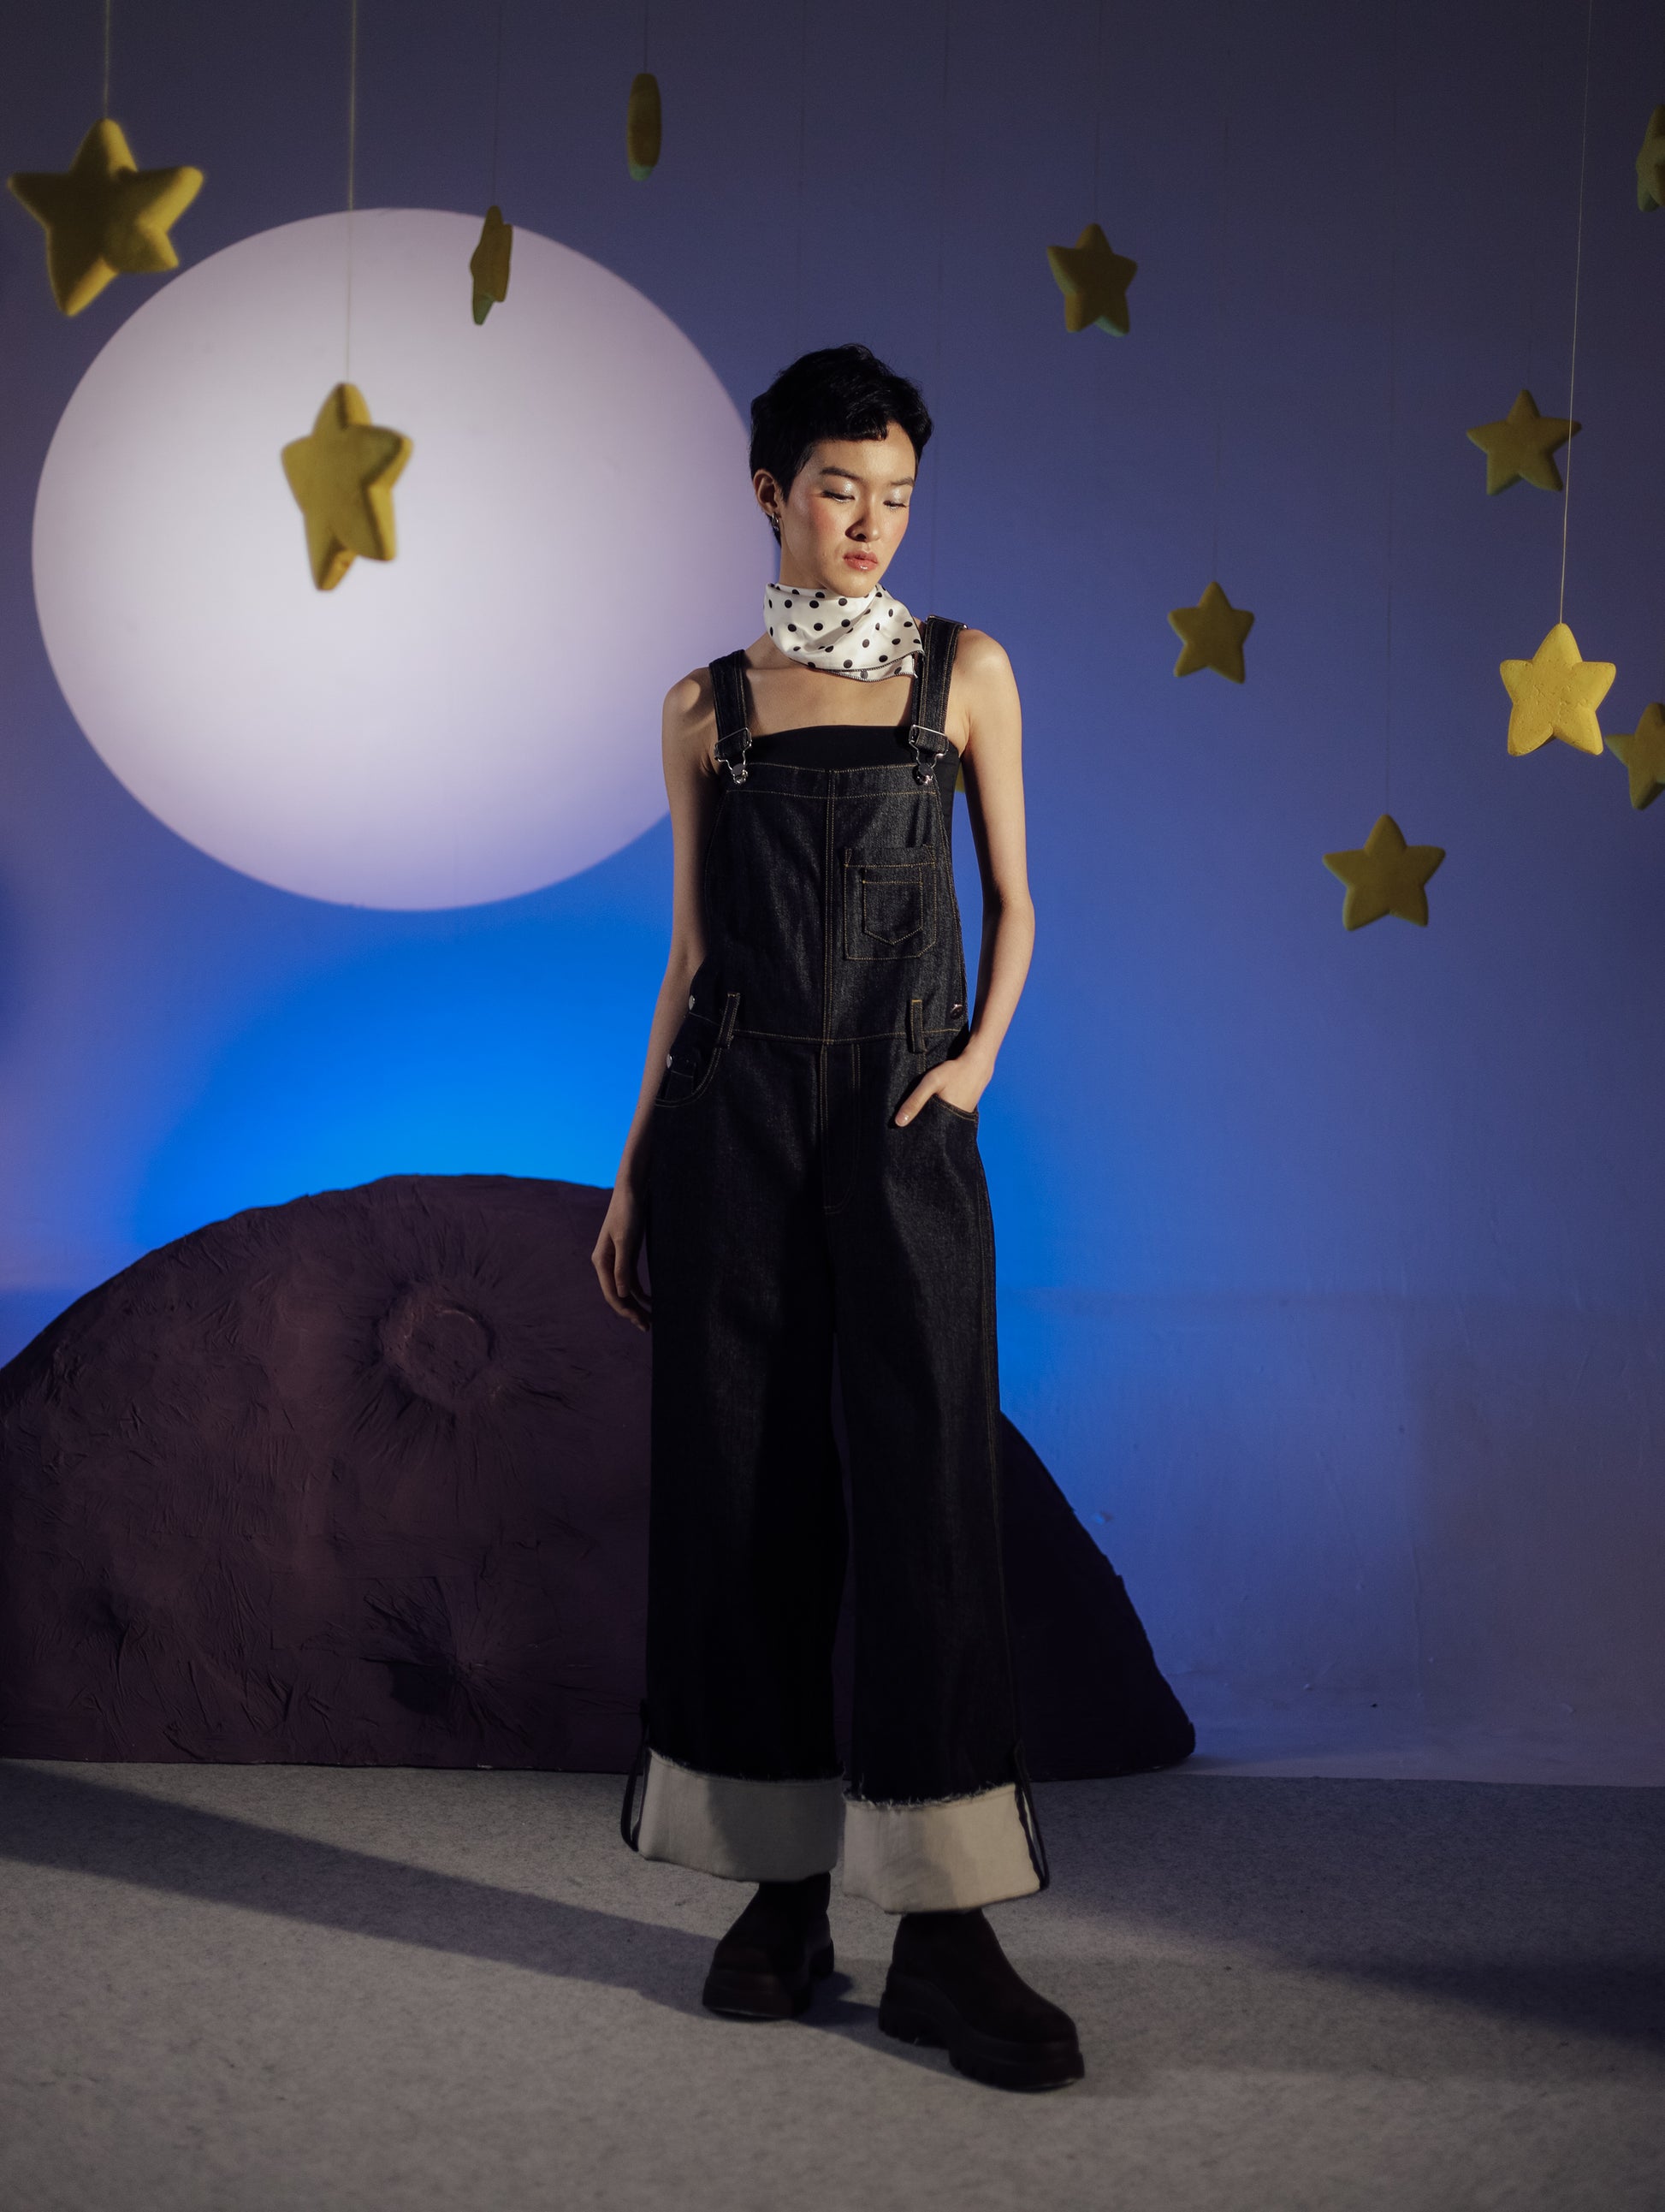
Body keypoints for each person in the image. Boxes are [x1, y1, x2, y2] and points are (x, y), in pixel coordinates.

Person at [592, 342, 1082, 2093]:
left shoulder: (966, 674)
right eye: (836, 491)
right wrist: (635, 1165)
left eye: (895, 499)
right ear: (770, 492)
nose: (868, 525)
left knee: (929, 1491)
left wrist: (974, 1067)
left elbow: (1016, 903)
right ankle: (781, 1896)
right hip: (730, 1129)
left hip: (900, 1123)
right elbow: (689, 956)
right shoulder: (701, 709)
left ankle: (945, 1934)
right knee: (746, 1492)